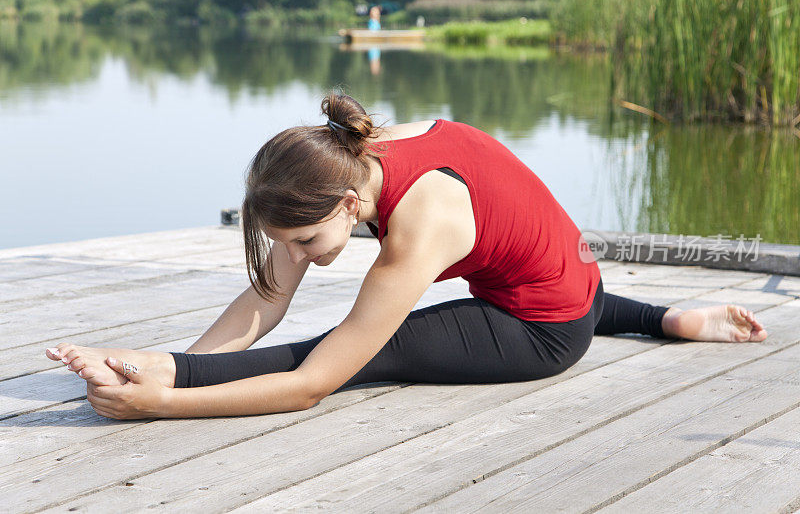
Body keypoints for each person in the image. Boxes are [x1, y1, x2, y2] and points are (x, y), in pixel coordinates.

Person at [44, 93, 769, 420]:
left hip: (548, 330)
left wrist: (162, 404)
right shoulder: (351, 160)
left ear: (349, 209)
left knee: (368, 349)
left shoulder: (422, 219)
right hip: (573, 277)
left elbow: (313, 383)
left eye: (300, 242)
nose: (295, 255)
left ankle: (643, 318)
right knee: (536, 277)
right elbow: (268, 296)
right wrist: (168, 362)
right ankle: (672, 317)